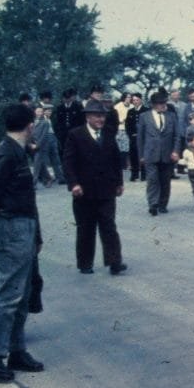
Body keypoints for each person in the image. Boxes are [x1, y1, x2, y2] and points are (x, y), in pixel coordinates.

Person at [0, 104, 45, 382]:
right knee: (8, 293)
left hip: (23, 228)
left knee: (23, 292)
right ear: (30, 126)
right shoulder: (5, 154)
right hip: (9, 229)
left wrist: (36, 234)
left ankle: (17, 350)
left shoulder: (15, 153)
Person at [63, 100, 127, 276]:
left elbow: (116, 160)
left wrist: (119, 182)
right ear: (88, 116)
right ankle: (85, 263)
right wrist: (74, 183)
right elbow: (68, 162)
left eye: (103, 115)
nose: (101, 119)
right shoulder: (75, 135)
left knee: (109, 226)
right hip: (84, 191)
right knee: (86, 228)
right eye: (98, 116)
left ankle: (115, 262)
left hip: (106, 190)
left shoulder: (108, 133)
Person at [137, 91, 184, 216]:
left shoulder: (172, 116)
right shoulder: (144, 117)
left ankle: (163, 204)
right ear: (153, 104)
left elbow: (177, 136)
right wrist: (141, 155)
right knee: (152, 180)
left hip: (167, 154)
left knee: (165, 180)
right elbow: (140, 138)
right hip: (150, 154)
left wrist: (175, 151)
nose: (163, 105)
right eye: (160, 103)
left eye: (164, 102)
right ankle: (153, 204)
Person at [124, 93, 147, 181]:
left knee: (143, 156)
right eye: (133, 100)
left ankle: (144, 174)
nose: (135, 102)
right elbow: (127, 125)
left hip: (144, 138)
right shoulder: (130, 111)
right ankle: (134, 174)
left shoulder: (146, 110)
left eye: (137, 100)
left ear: (141, 100)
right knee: (133, 155)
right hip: (133, 137)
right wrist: (130, 134)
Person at [54, 87, 84, 153]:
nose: (66, 100)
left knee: (75, 148)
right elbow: (57, 121)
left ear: (71, 98)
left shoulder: (78, 106)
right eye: (65, 98)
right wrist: (59, 132)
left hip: (75, 131)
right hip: (63, 133)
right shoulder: (60, 107)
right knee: (63, 149)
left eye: (68, 98)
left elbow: (81, 120)